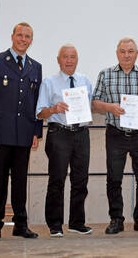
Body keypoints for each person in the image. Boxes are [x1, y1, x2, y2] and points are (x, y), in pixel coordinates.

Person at [92, 37, 138, 234]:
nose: (126, 55)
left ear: (136, 54)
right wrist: (109, 107)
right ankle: (116, 219)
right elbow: (95, 104)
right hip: (115, 133)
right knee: (114, 178)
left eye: (130, 51)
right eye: (123, 51)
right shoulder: (105, 75)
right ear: (117, 53)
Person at [0, 22, 43, 242]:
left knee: (20, 181)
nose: (23, 39)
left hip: (24, 134)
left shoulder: (36, 66)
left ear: (31, 40)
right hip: (0, 133)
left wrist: (36, 131)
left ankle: (20, 224)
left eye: (27, 36)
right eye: (20, 35)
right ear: (12, 36)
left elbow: (37, 104)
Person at [36, 44, 93, 237]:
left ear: (77, 59)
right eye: (65, 57)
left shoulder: (85, 80)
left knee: (81, 180)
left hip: (81, 134)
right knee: (57, 179)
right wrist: (54, 109)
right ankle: (55, 224)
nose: (69, 61)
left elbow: (89, 107)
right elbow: (39, 112)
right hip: (59, 133)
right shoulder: (49, 82)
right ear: (58, 60)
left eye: (73, 57)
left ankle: (77, 223)